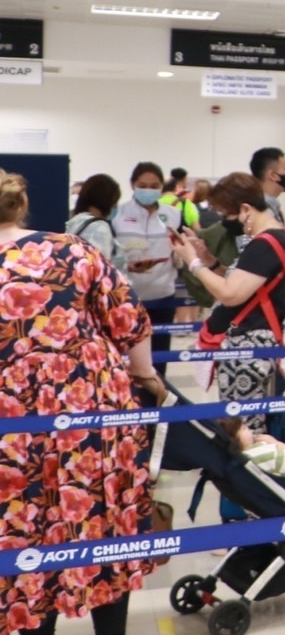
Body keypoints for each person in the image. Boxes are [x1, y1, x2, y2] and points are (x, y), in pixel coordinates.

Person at [0, 169, 163, 635]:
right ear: (19, 205)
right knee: (100, 520)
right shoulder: (73, 249)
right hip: (92, 411)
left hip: (14, 423)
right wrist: (146, 377)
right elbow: (130, 321)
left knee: (25, 529)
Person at [174, 172, 285, 434]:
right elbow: (245, 284)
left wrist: (192, 263)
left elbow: (231, 293)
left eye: (226, 214)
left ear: (245, 209)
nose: (225, 221)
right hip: (257, 344)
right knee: (251, 426)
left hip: (249, 349)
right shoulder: (274, 238)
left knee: (243, 432)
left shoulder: (265, 243)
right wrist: (208, 260)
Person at [112, 161, 183, 355]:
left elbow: (182, 248)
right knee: (127, 357)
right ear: (132, 185)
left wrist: (180, 257)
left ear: (162, 186)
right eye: (142, 186)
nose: (148, 190)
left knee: (159, 355)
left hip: (163, 296)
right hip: (126, 296)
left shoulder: (174, 215)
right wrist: (127, 266)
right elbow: (108, 254)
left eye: (154, 186)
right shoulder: (117, 213)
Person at [66, 173, 126, 267]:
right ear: (107, 200)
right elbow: (100, 268)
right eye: (115, 202)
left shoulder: (76, 221)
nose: (115, 206)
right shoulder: (99, 227)